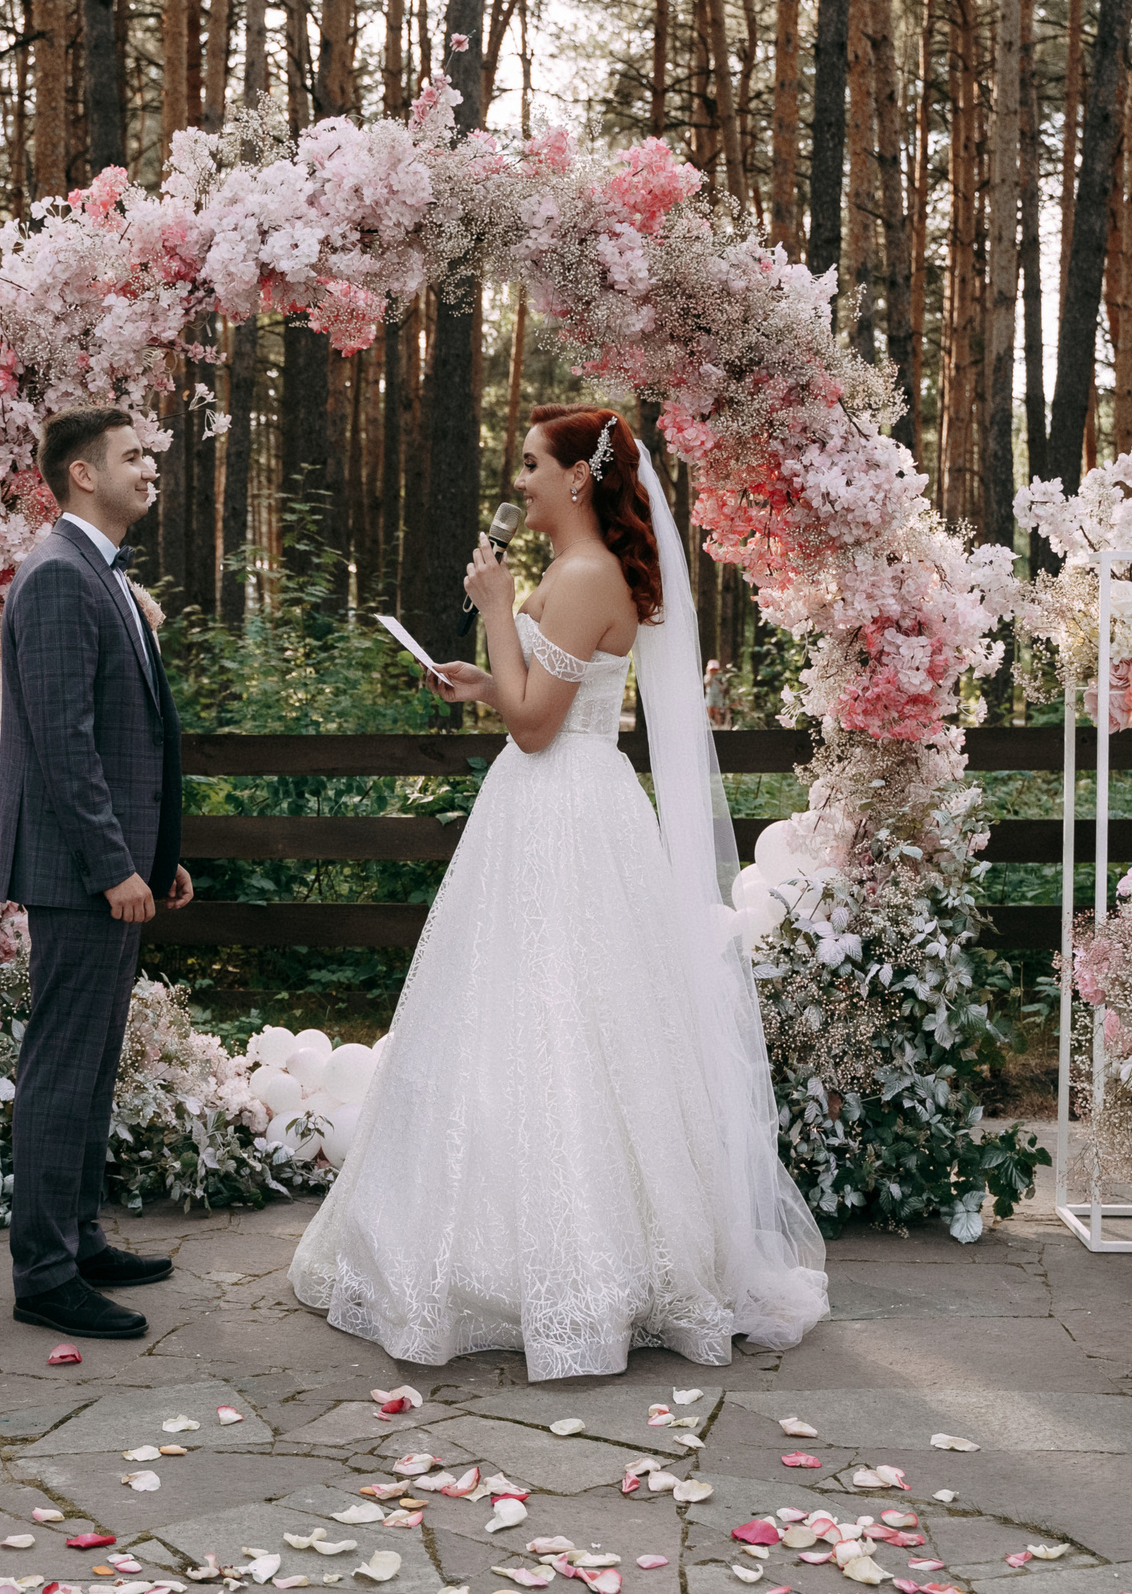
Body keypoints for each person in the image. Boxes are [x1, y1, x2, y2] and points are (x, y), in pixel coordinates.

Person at [289, 405, 829, 1380]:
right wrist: (482, 679)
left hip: (561, 804)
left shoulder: (580, 577)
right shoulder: (577, 576)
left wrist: (498, 612)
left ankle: (577, 1265)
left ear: (580, 477)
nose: (522, 480)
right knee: (531, 1012)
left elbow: (539, 727)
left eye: (534, 464)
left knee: (563, 1019)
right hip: (555, 802)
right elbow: (530, 698)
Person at [0, 404, 192, 1341]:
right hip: (77, 874)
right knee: (63, 1067)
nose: (151, 467)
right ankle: (44, 1274)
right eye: (133, 455)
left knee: (91, 1064)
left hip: (107, 867)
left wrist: (157, 857)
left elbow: (127, 735)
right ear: (80, 474)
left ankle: (77, 1234)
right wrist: (115, 866)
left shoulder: (98, 574)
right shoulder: (61, 577)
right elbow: (67, 748)